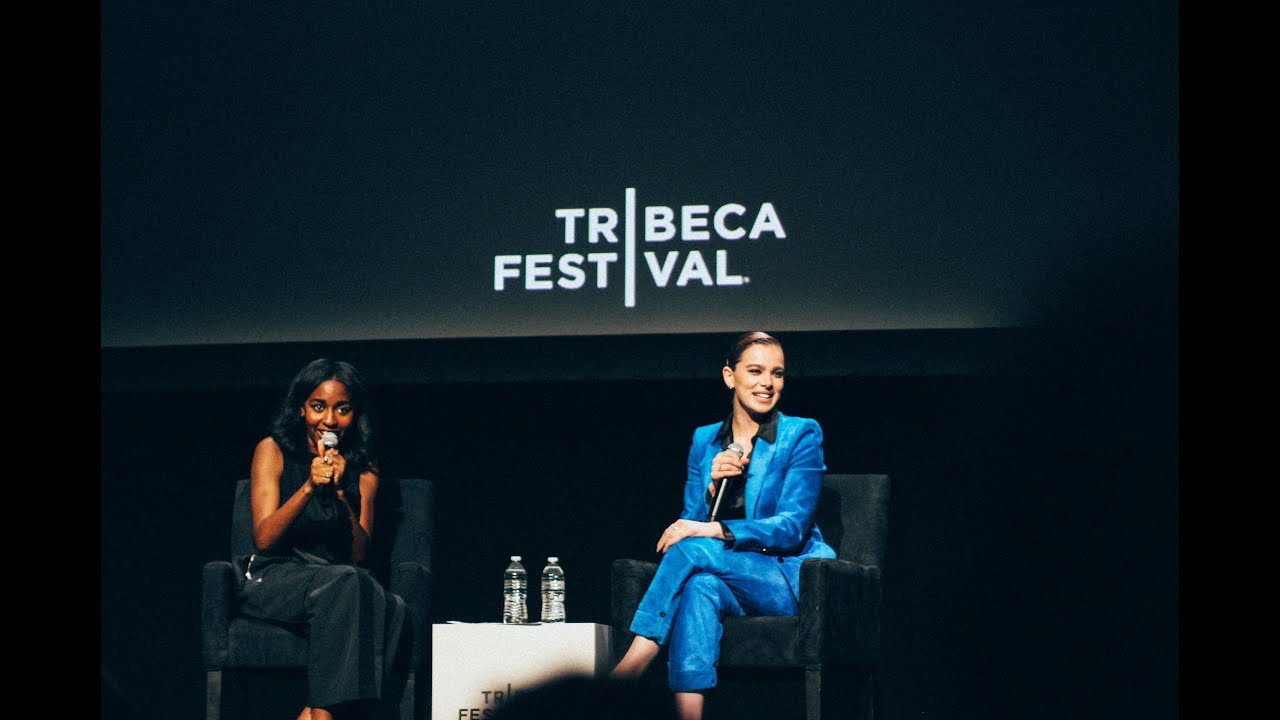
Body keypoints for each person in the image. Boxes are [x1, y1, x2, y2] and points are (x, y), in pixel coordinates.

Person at [609, 331, 835, 720]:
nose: (767, 383)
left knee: (691, 548)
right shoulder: (705, 440)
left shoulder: (801, 433)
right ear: (730, 376)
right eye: (755, 371)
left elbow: (791, 528)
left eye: (777, 373)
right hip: (726, 574)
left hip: (785, 578)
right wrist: (713, 487)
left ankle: (634, 662)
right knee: (700, 586)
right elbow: (691, 517)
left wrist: (710, 531)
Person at [237, 358, 409, 720]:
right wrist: (309, 487)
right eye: (318, 407)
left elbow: (358, 554)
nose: (329, 421)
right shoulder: (273, 449)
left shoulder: (364, 467)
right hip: (276, 575)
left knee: (391, 606)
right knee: (357, 587)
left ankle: (315, 713)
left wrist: (341, 494)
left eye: (342, 409)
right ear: (301, 409)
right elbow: (264, 539)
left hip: (340, 581)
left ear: (354, 415)